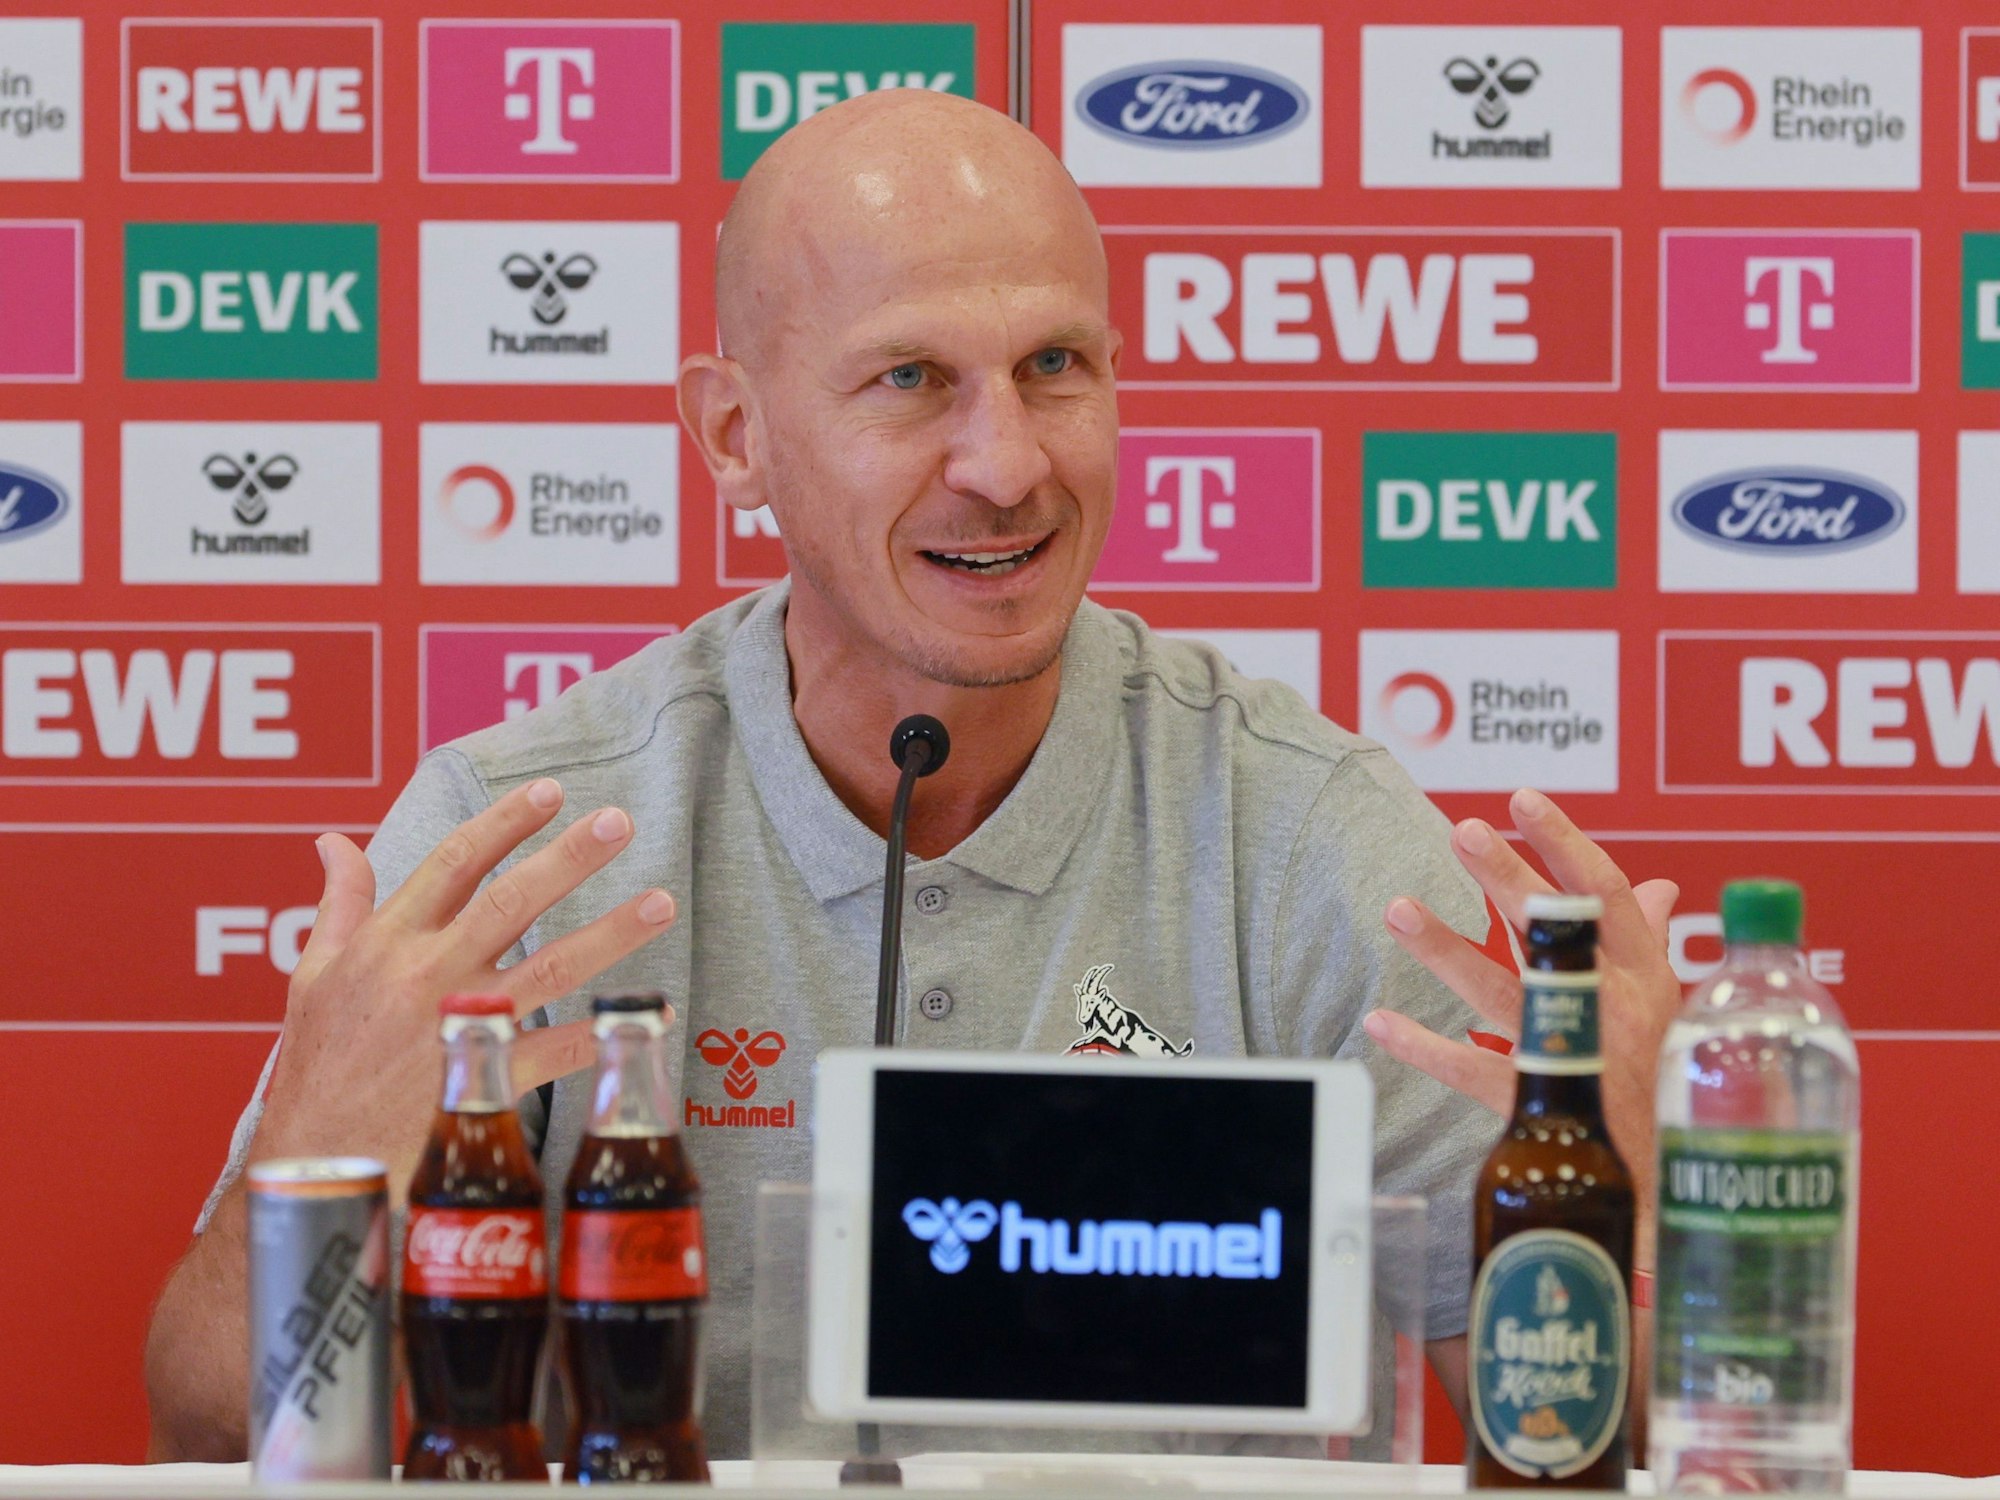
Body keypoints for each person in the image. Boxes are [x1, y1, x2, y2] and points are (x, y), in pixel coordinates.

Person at [143, 90, 1682, 1461]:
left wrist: (1629, 1212)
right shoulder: (531, 837)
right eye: (910, 381)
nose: (1007, 463)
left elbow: (1566, 1430)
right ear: (736, 436)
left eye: (1053, 365)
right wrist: (311, 1175)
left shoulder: (1300, 832)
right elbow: (208, 1427)